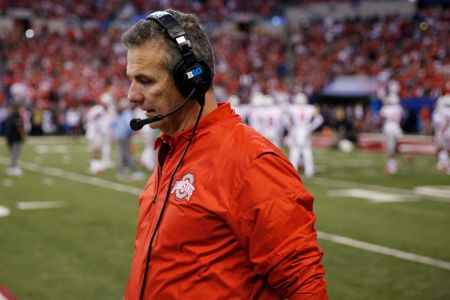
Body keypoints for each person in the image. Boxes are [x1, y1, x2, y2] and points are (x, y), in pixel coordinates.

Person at [122, 9, 327, 300]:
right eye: (131, 79)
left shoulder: (252, 163)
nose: (132, 95)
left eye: (146, 80)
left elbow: (303, 287)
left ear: (192, 79)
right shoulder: (172, 149)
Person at [286, 92, 323, 178]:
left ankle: (293, 172)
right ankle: (309, 172)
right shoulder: (310, 108)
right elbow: (320, 119)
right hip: (305, 131)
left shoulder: (292, 108)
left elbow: (285, 119)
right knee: (307, 153)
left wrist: (291, 129)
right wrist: (310, 128)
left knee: (294, 153)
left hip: (296, 131)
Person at [111, 98, 143, 180]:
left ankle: (122, 172)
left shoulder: (119, 114)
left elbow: (112, 124)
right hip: (125, 136)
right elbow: (129, 126)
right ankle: (132, 172)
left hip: (120, 136)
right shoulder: (126, 113)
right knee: (128, 154)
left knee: (122, 154)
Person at [379, 93, 404, 174]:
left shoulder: (386, 108)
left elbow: (381, 117)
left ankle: (391, 166)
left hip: (389, 128)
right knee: (395, 148)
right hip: (397, 128)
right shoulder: (399, 108)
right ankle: (393, 165)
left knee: (390, 149)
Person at [4, 102, 26, 176]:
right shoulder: (16, 115)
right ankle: (12, 168)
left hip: (9, 138)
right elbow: (18, 125)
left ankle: (12, 167)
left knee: (13, 153)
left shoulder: (9, 116)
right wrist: (22, 134)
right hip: (14, 138)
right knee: (15, 154)